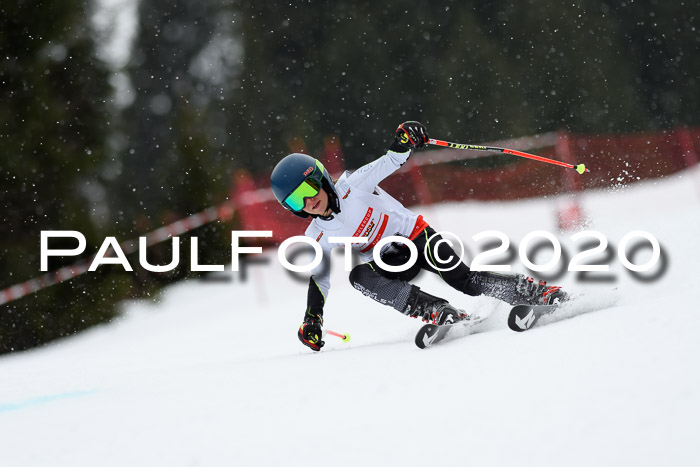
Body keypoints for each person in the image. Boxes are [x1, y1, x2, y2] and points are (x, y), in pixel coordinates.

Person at [270, 121, 567, 351]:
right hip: (391, 260)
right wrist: (313, 319)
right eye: (296, 202)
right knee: (359, 276)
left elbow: (391, 160)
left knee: (465, 281)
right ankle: (437, 310)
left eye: (308, 190)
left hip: (417, 236)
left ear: (320, 178)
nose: (308, 202)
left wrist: (405, 138)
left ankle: (535, 293)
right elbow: (318, 279)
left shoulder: (355, 184)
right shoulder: (318, 235)